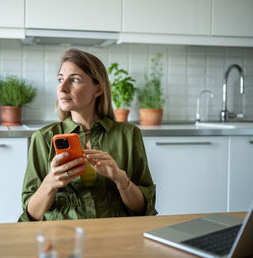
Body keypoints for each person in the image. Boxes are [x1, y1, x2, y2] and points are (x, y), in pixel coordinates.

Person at [18, 48, 157, 221]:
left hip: (115, 235)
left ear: (98, 89)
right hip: (61, 237)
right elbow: (31, 214)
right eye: (60, 79)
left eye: (74, 80)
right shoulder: (43, 138)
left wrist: (120, 178)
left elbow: (143, 209)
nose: (62, 88)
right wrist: (51, 183)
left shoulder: (128, 135)